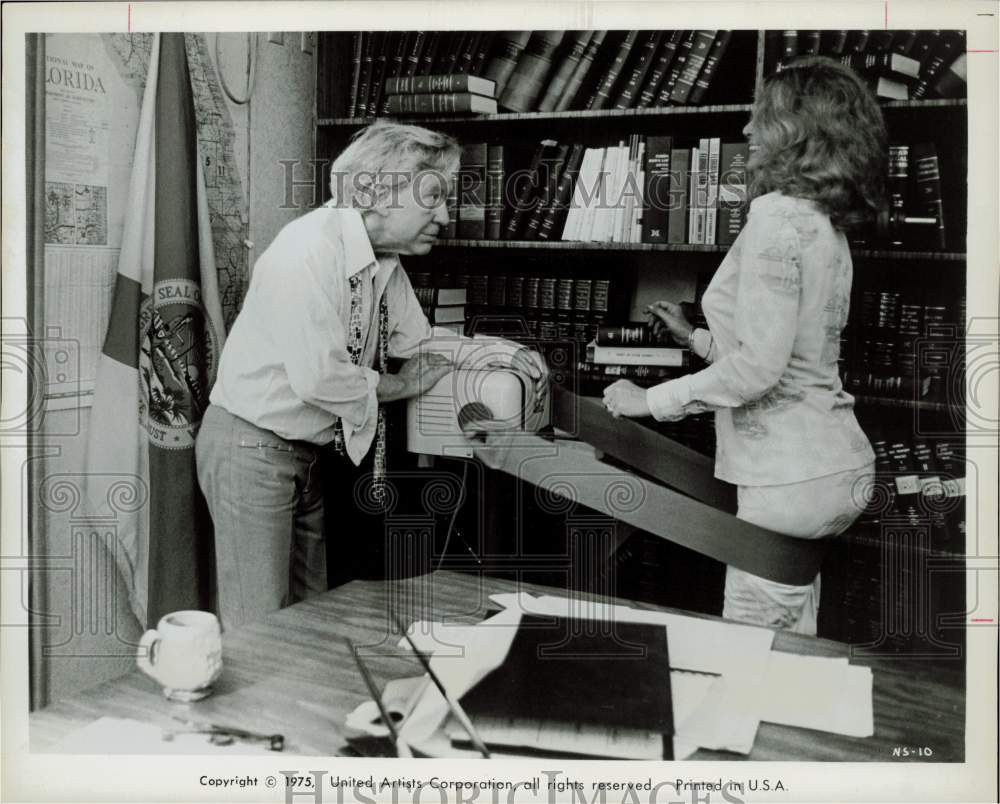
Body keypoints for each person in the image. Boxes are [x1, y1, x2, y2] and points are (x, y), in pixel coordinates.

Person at [196, 120, 545, 628]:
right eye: (433, 199)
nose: (445, 217)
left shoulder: (384, 260)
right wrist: (403, 385)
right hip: (252, 448)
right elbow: (320, 377)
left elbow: (417, 341)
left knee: (311, 618)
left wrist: (501, 353)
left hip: (306, 453)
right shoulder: (307, 250)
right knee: (260, 628)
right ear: (376, 192)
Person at [602, 57, 884, 634]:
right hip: (831, 469)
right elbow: (791, 354)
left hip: (787, 478)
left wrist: (646, 401)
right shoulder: (823, 223)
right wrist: (698, 341)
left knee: (752, 654)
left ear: (794, 132)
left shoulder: (774, 218)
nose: (748, 131)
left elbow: (758, 370)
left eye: (761, 118)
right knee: (793, 642)